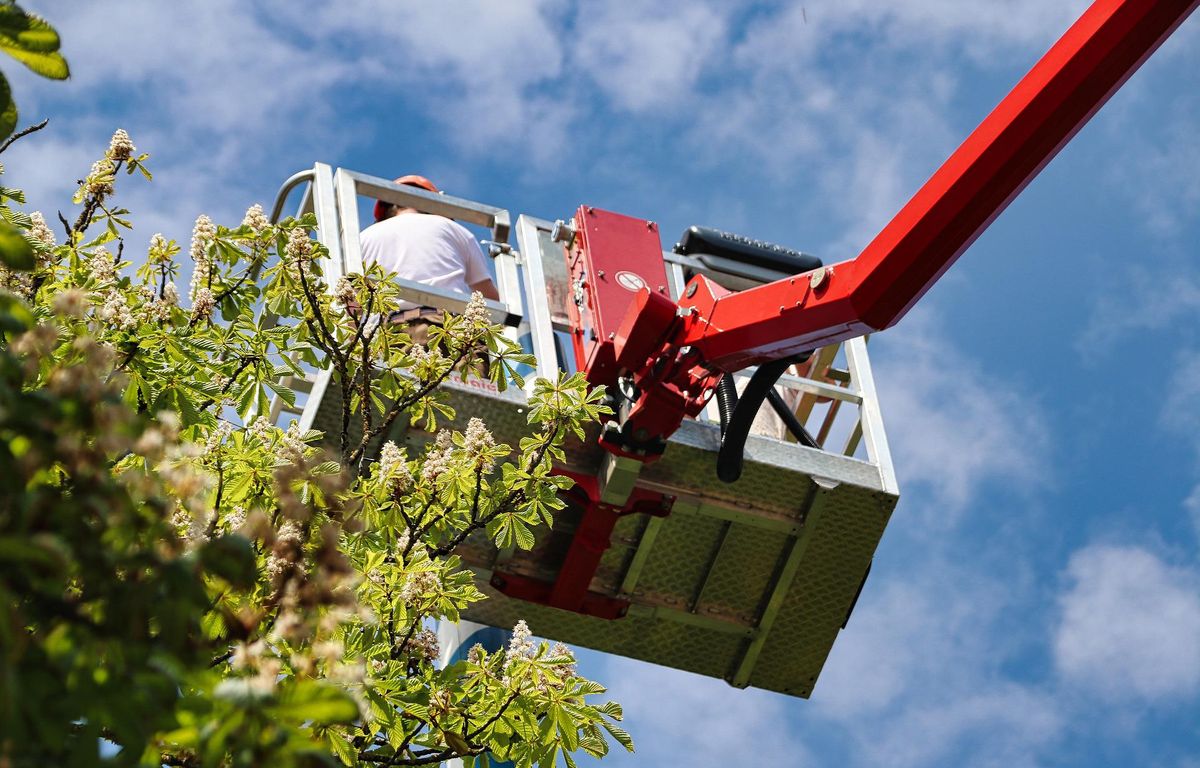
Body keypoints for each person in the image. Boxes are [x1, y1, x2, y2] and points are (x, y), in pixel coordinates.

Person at [360, 174, 499, 350]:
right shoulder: (454, 230)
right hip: (454, 329)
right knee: (467, 378)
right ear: (433, 202)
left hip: (388, 335)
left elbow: (351, 302)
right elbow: (489, 300)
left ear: (387, 207)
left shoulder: (365, 237)